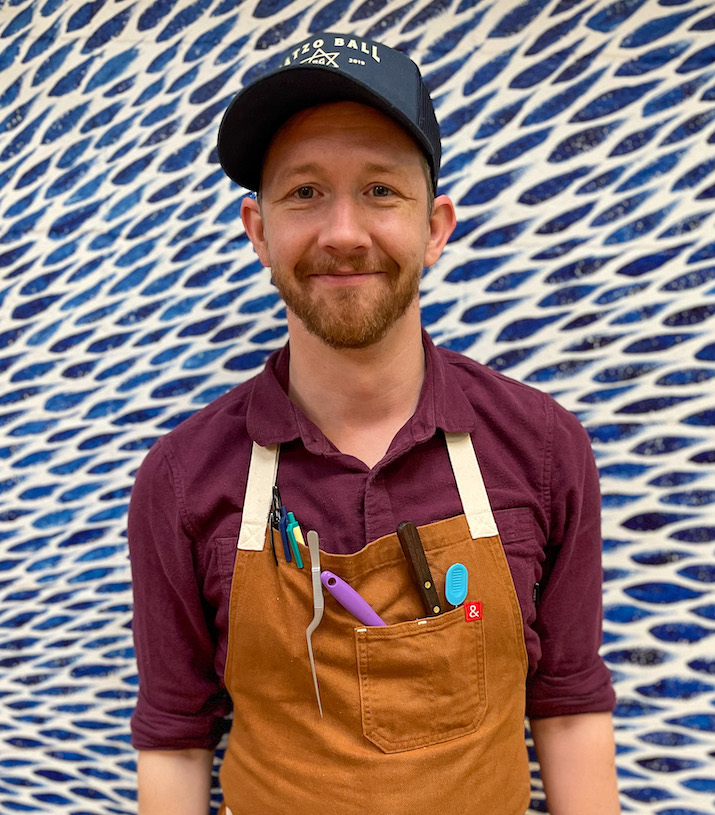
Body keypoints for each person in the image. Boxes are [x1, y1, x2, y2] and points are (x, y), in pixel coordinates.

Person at [128, 31, 621, 815]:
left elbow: (568, 708)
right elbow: (176, 740)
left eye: (382, 191)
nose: (344, 232)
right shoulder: (181, 479)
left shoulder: (543, 448)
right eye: (305, 193)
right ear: (258, 231)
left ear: (435, 227)